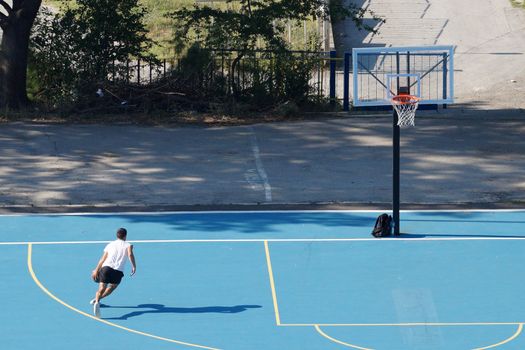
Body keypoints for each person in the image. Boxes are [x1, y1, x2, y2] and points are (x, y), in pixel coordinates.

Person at [90, 227, 136, 318]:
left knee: (102, 287)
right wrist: (134, 266)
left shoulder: (110, 244)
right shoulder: (128, 245)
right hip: (118, 271)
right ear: (125, 236)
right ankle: (97, 300)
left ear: (117, 235)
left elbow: (103, 259)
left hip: (106, 268)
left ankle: (97, 300)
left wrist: (96, 270)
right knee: (112, 287)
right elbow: (130, 254)